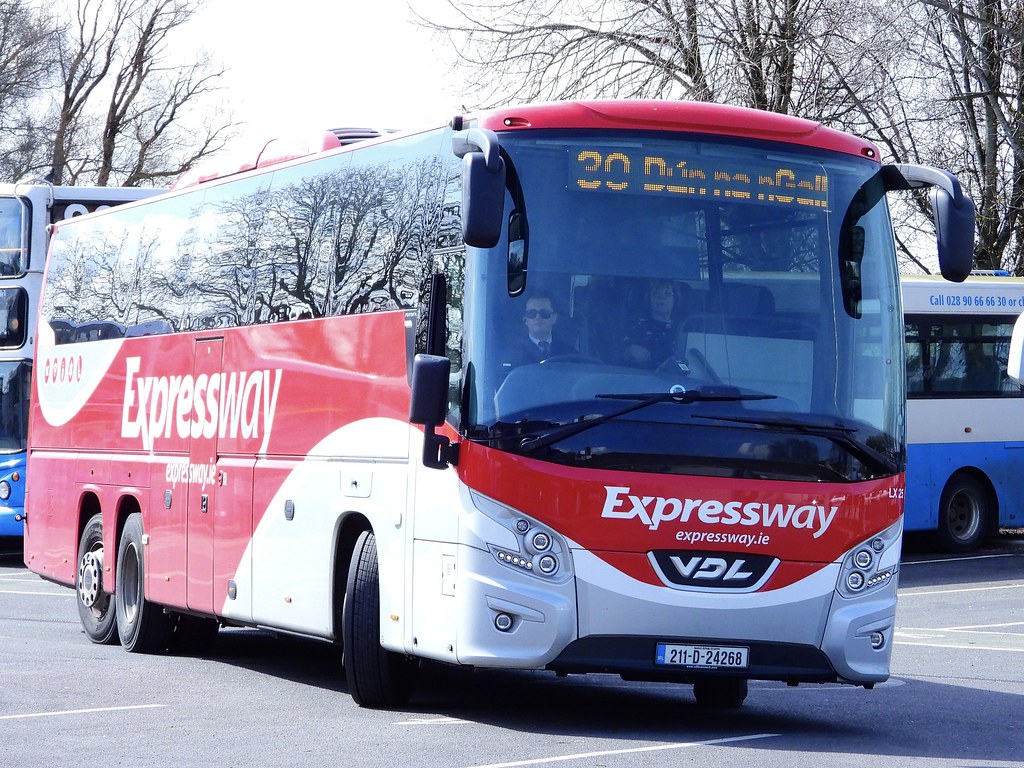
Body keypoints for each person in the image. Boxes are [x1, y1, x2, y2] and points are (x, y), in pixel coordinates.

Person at [621, 279, 679, 368]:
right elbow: (623, 356)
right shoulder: (638, 327)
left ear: (675, 299)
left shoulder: (684, 327)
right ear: (649, 299)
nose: (661, 297)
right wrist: (631, 351)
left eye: (667, 293)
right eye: (655, 293)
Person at [508, 291, 575, 366]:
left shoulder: (569, 354)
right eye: (531, 313)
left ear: (554, 318)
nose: (538, 317)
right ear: (525, 320)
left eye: (544, 313)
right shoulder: (511, 356)